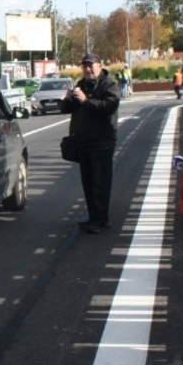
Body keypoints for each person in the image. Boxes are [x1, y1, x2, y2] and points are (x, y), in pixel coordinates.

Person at [62, 53, 120, 233]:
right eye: (85, 66)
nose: (88, 69)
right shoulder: (81, 85)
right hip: (83, 142)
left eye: (91, 65)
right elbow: (65, 109)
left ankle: (101, 219)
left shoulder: (109, 84)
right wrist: (68, 98)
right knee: (88, 182)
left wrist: (86, 101)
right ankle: (93, 217)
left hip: (102, 142)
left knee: (100, 183)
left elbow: (109, 106)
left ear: (100, 66)